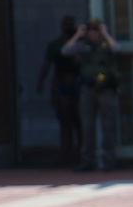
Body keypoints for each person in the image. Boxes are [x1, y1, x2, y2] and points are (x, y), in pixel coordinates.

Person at [64, 18, 123, 171]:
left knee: (108, 126)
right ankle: (87, 161)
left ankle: (109, 161)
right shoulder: (83, 46)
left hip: (106, 89)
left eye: (96, 29)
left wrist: (106, 34)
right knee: (87, 126)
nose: (93, 32)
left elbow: (118, 49)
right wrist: (78, 35)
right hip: (88, 89)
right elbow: (65, 51)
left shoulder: (106, 44)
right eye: (90, 29)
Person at [35, 16, 82, 166]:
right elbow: (48, 66)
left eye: (71, 24)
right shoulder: (55, 46)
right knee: (65, 123)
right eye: (66, 25)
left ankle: (80, 154)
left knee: (79, 123)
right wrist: (42, 82)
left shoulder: (79, 45)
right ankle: (65, 155)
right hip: (62, 85)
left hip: (77, 86)